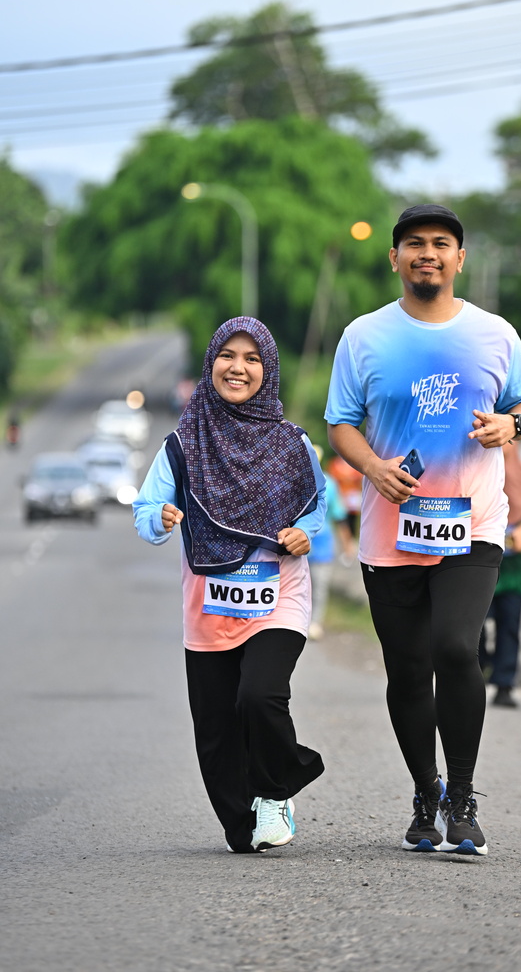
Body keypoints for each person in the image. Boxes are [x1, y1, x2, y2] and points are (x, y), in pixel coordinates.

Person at [325, 203, 521, 855]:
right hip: (391, 528)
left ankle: (463, 798)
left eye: (441, 243)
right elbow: (341, 423)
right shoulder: (363, 335)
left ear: (459, 258)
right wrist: (373, 467)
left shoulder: (495, 332)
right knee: (408, 668)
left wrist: (512, 424)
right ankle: (426, 790)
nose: (428, 253)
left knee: (455, 647)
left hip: (473, 522)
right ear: (395, 258)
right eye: (415, 243)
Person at [133, 316, 326, 853]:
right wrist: (161, 518)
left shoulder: (292, 443)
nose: (238, 368)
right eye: (227, 356)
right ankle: (248, 818)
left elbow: (316, 504)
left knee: (259, 696)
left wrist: (304, 533)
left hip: (278, 597)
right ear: (210, 364)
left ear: (269, 370)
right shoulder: (183, 445)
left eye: (252, 359)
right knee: (216, 737)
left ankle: (276, 790)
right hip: (209, 607)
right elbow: (146, 507)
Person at [479, 441, 521, 709]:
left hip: (515, 569)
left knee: (510, 626)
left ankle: (505, 684)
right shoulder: (476, 470)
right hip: (477, 565)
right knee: (474, 627)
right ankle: (478, 671)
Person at [307, 446, 355, 640]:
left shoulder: (330, 485)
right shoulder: (293, 481)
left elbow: (340, 516)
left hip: (321, 543)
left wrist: (347, 545)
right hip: (295, 545)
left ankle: (314, 623)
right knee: (299, 586)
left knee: (319, 586)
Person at [327, 454, 363, 538]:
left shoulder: (355, 462)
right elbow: (332, 478)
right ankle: (346, 538)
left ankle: (353, 536)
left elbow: (360, 477)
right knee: (342, 518)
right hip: (340, 495)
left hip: (353, 495)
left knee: (353, 517)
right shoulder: (335, 464)